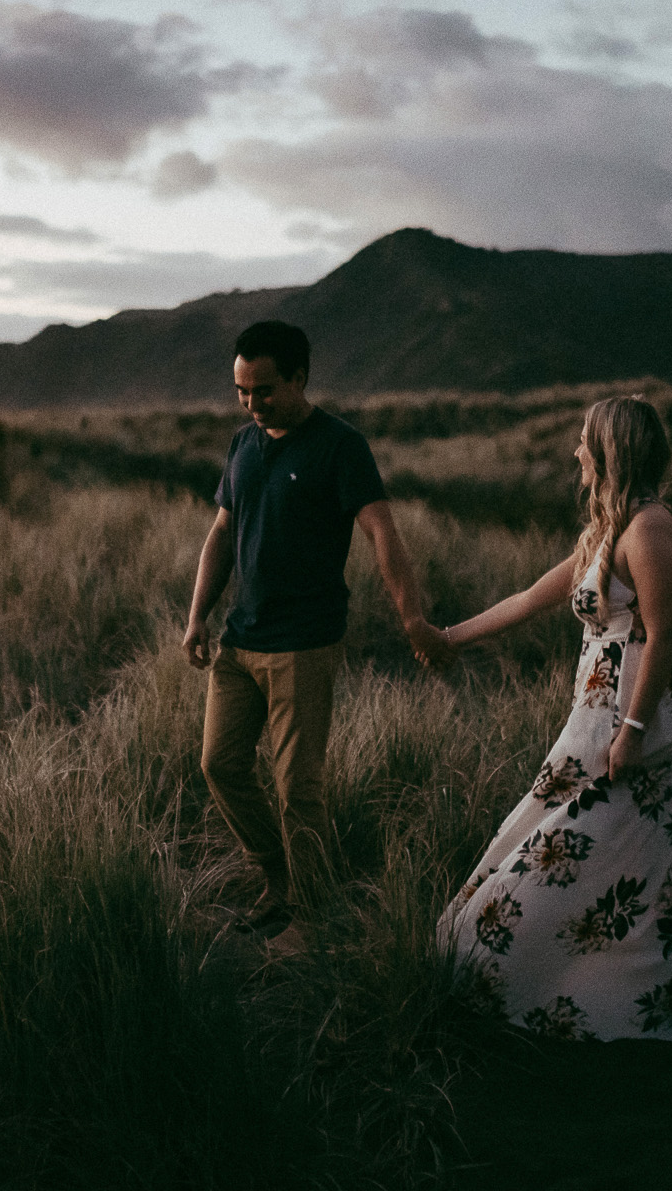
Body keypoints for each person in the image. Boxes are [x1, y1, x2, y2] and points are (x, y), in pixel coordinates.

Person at [434, 396, 672, 1041]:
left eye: (584, 442)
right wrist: (450, 638)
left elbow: (663, 632)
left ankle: (611, 1001)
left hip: (634, 721)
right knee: (609, 856)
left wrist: (633, 732)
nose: (575, 453)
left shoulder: (649, 529)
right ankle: (609, 996)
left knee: (605, 854)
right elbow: (531, 597)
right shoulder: (607, 529)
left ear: (612, 451)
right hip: (596, 716)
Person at [183, 320, 452, 943]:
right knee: (219, 765)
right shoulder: (242, 445)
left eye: (265, 390)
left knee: (297, 791)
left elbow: (382, 531)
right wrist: (198, 615)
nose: (252, 403)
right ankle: (279, 876)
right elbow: (222, 532)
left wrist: (410, 617)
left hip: (303, 644)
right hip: (239, 640)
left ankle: (311, 915)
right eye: (241, 391)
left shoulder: (339, 446)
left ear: (300, 378)